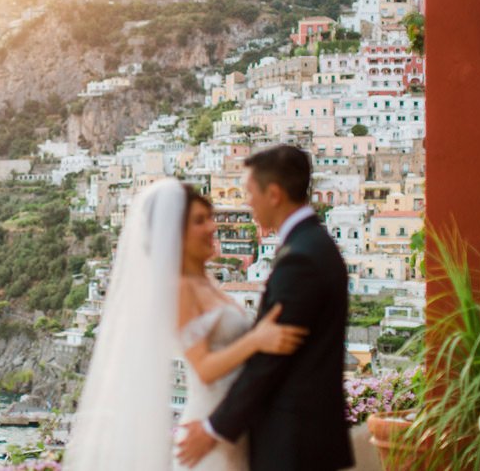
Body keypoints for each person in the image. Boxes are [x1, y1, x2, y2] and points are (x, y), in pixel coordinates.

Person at [66, 178, 306, 471]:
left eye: (210, 218)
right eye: (199, 221)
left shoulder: (208, 282)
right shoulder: (180, 289)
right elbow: (203, 367)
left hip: (237, 428)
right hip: (207, 430)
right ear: (174, 234)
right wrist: (257, 340)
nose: (211, 227)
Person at [177, 145, 354, 471]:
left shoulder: (301, 257)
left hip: (293, 442)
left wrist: (214, 428)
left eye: (249, 192)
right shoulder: (313, 245)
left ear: (273, 194)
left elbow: (271, 362)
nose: (247, 202)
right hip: (292, 436)